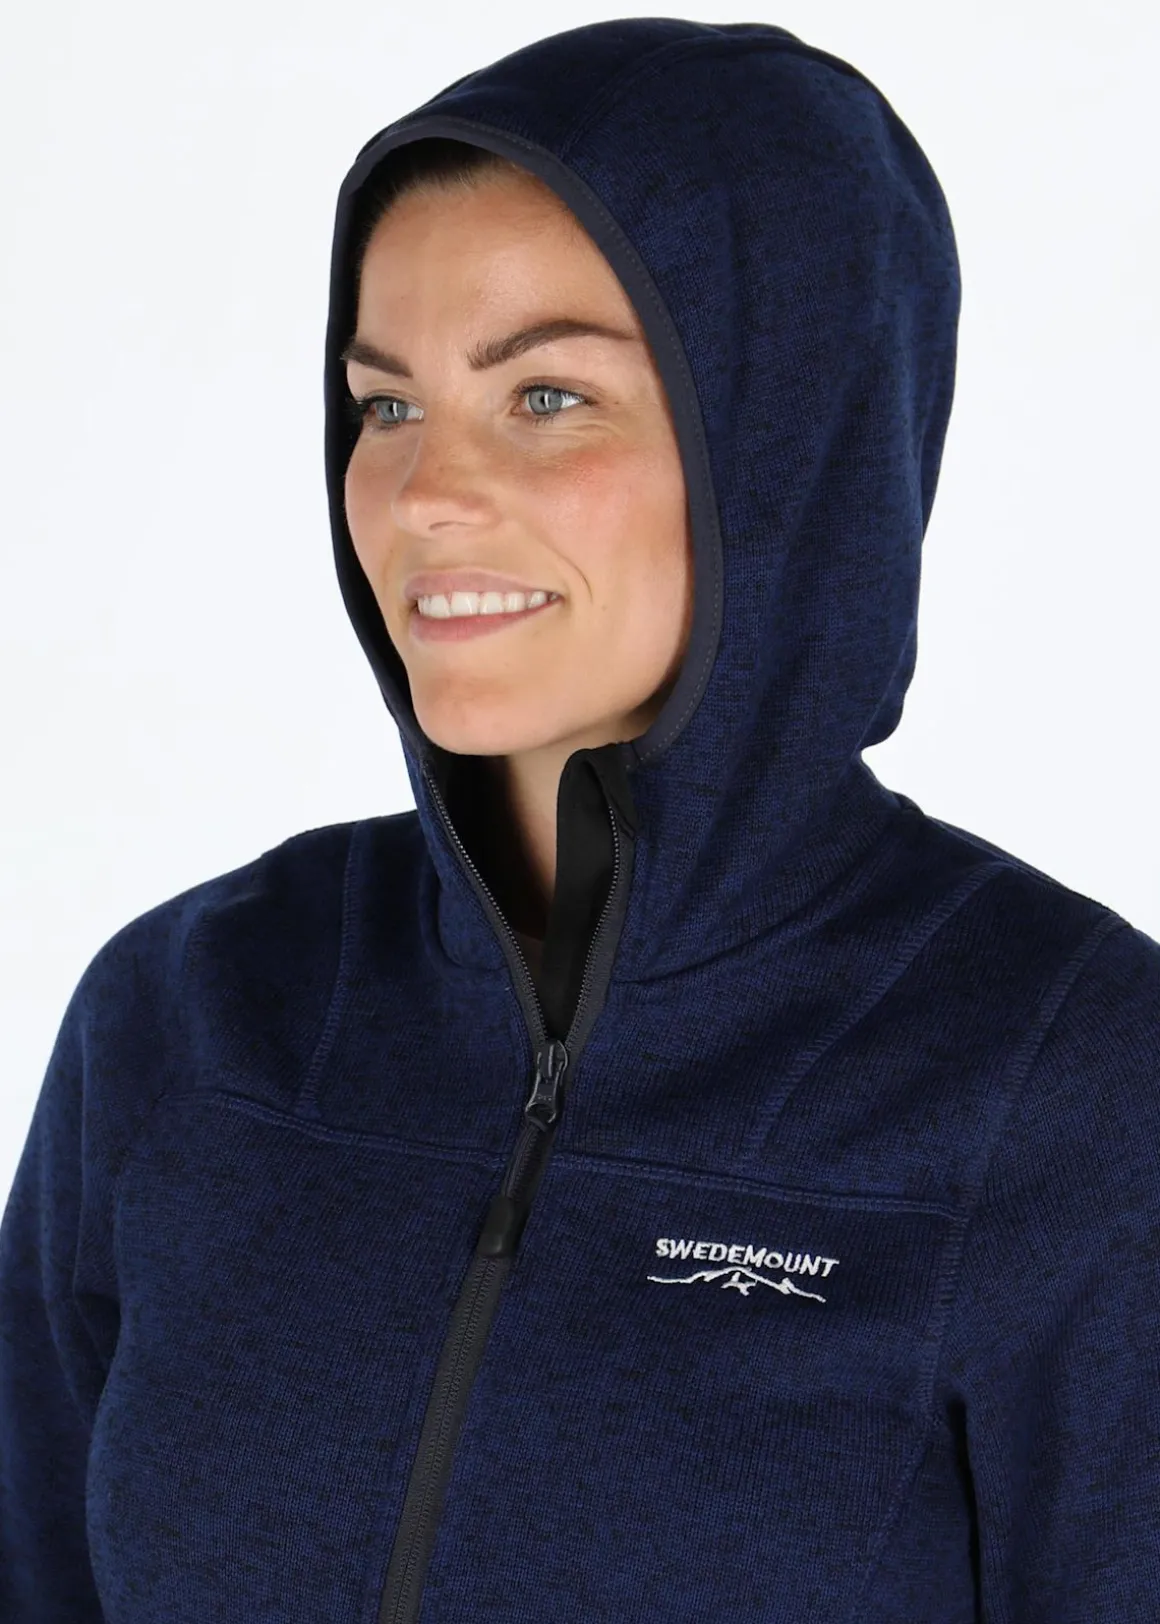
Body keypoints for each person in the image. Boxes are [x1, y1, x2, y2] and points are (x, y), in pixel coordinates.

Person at [1, 16, 1157, 1622]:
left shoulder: (1068, 1075)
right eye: (385, 406)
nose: (424, 496)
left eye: (546, 395)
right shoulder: (190, 1017)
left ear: (781, 446)